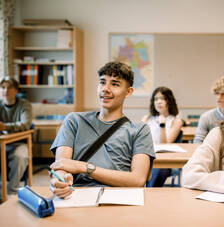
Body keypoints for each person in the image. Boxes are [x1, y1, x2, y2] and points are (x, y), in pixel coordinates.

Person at [49, 62, 155, 198]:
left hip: (120, 197)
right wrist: (60, 181)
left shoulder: (140, 130)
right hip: (76, 195)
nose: (106, 89)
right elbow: (62, 165)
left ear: (129, 92)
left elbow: (138, 180)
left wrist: (85, 167)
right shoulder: (74, 120)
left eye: (115, 84)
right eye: (102, 82)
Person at [142, 86, 183, 187]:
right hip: (146, 157)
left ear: (169, 101)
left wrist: (162, 125)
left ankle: (149, 194)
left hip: (165, 162)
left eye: (163, 99)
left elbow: (166, 145)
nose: (159, 102)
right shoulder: (147, 119)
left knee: (159, 169)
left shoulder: (176, 121)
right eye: (156, 99)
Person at [0, 77, 32, 198]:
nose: (5, 90)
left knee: (21, 156)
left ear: (16, 90)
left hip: (19, 143)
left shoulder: (24, 105)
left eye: (9, 87)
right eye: (3, 87)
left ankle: (12, 191)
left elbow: (25, 124)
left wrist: (5, 127)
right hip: (2, 143)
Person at [193, 77, 224, 143]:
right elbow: (198, 141)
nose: (219, 97)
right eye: (217, 93)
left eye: (223, 94)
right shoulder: (206, 117)